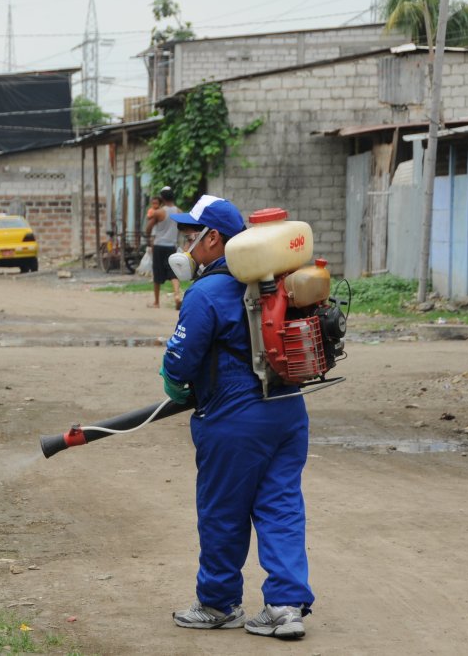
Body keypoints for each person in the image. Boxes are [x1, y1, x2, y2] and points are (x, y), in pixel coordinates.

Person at [160, 195, 313, 639]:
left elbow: (179, 364)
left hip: (234, 420)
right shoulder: (279, 284)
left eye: (191, 236)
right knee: (281, 506)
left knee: (222, 511)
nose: (185, 246)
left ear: (214, 239)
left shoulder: (205, 293)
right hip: (288, 412)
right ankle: (285, 607)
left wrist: (172, 380)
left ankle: (217, 603)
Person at [144, 186, 182, 309]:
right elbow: (183, 229)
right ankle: (177, 295)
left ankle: (156, 302)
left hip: (159, 246)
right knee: (173, 272)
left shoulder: (159, 212)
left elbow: (148, 228)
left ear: (162, 198)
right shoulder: (179, 212)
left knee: (157, 273)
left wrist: (149, 236)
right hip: (172, 246)